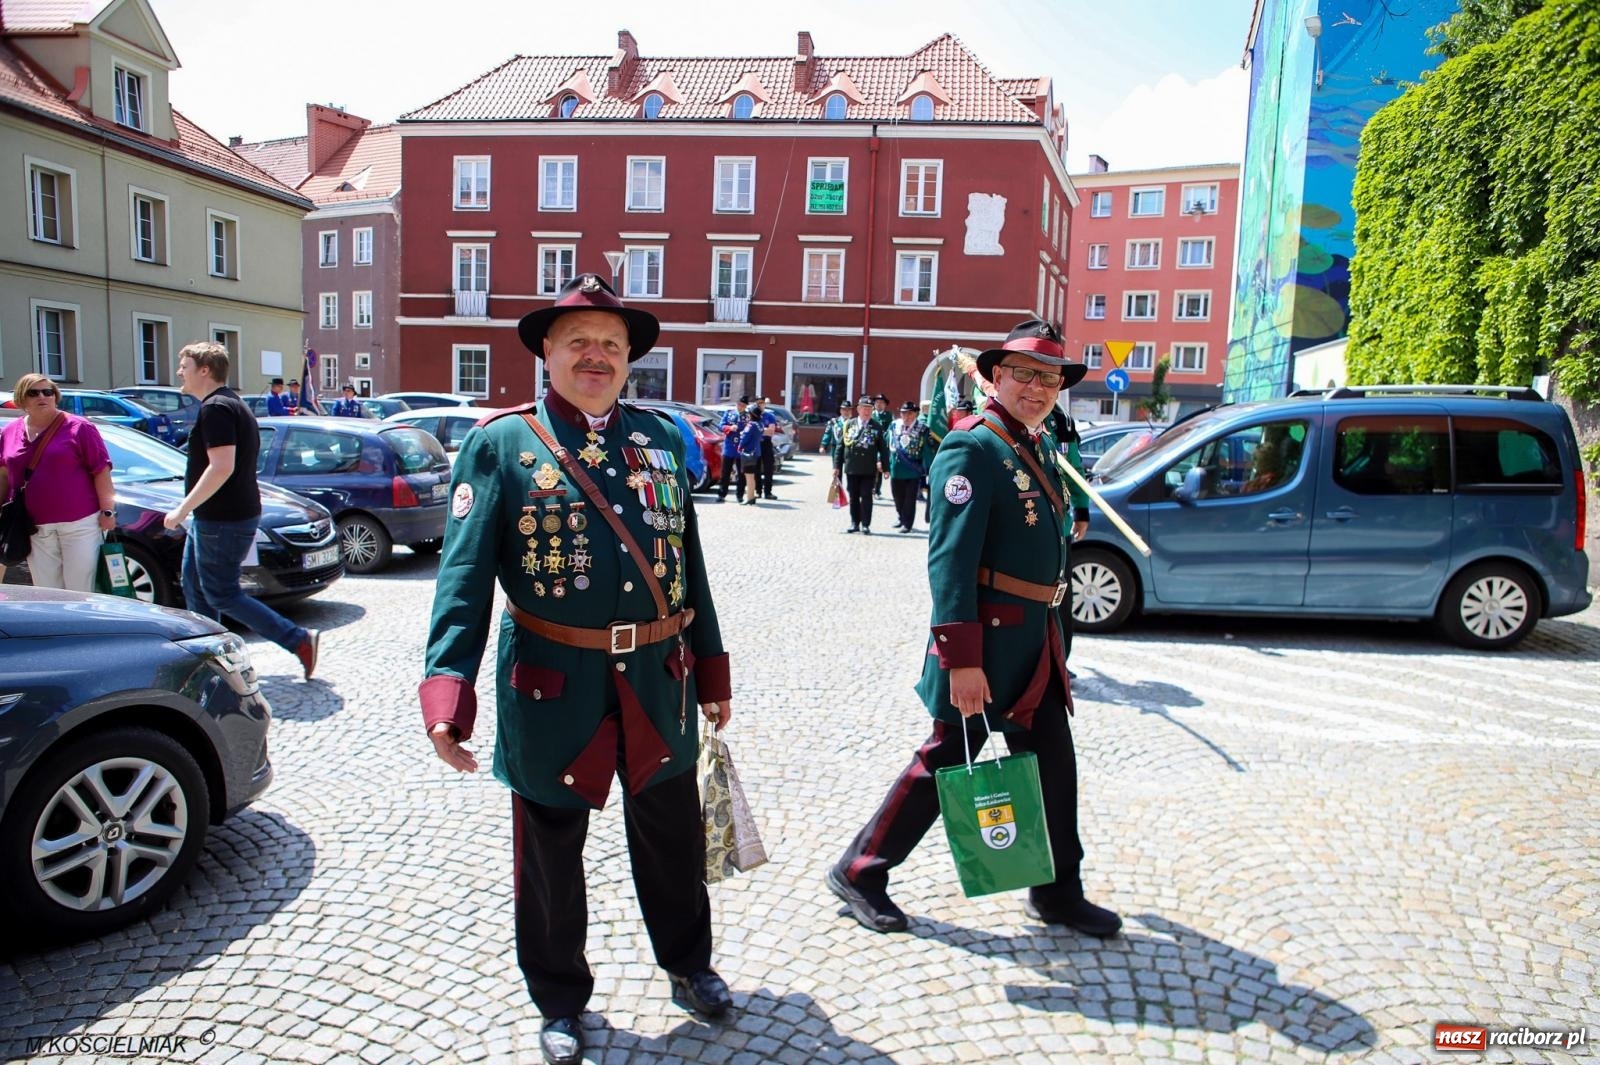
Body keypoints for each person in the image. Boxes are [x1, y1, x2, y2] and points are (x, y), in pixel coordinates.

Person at [419, 273, 736, 1065]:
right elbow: (463, 577)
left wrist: (714, 670)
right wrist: (447, 693)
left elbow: (686, 565)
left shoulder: (660, 438)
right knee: (550, 847)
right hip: (553, 684)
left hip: (659, 678)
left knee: (671, 833)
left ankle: (689, 963)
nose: (596, 357)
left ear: (629, 359)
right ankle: (559, 997)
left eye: (611, 345)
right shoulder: (501, 444)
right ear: (547, 354)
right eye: (579, 343)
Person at [827, 319, 1121, 940]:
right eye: (1024, 374)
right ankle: (860, 871)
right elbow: (950, 561)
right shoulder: (973, 447)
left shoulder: (1036, 446)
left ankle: (1059, 891)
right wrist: (961, 657)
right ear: (994, 376)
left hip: (1035, 642)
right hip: (985, 644)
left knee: (1052, 765)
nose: (1038, 388)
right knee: (945, 763)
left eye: (1049, 378)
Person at [163, 343, 319, 679]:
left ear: (204, 369)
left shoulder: (217, 408)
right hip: (216, 517)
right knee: (197, 589)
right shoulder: (230, 404)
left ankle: (298, 639)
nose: (180, 371)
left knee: (221, 592)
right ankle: (212, 660)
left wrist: (181, 509)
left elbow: (221, 467)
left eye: (184, 365)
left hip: (222, 519)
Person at [0, 374, 116, 591]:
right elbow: (5, 475)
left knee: (80, 590)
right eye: (33, 393)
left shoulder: (79, 427)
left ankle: (81, 626)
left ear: (56, 396)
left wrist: (108, 511)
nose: (42, 396)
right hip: (34, 527)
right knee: (47, 592)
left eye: (48, 392)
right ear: (21, 400)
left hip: (80, 525)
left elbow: (101, 470)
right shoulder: (10, 431)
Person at [833, 396, 890, 534]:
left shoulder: (876, 426)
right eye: (864, 408)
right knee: (853, 496)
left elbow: (883, 449)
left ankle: (865, 524)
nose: (867, 411)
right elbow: (840, 447)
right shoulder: (849, 424)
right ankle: (854, 523)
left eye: (870, 408)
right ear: (858, 409)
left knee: (866, 496)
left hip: (868, 468)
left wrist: (886, 468)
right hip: (852, 467)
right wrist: (836, 467)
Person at [888, 401, 935, 532]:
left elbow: (927, 450)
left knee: (909, 499)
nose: (906, 416)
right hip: (896, 469)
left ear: (915, 414)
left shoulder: (923, 429)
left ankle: (907, 524)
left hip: (912, 471)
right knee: (897, 496)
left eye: (909, 413)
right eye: (904, 413)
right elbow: (887, 444)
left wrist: (930, 468)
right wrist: (883, 461)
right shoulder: (894, 426)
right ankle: (901, 517)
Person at [716, 396, 750, 502]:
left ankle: (740, 495)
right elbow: (720, 426)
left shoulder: (749, 416)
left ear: (746, 406)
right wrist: (729, 428)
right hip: (729, 446)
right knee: (725, 472)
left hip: (742, 447)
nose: (740, 407)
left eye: (743, 406)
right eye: (739, 404)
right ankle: (722, 494)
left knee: (741, 473)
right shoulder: (729, 413)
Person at [736, 407, 764, 505]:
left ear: (752, 415)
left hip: (748, 452)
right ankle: (751, 496)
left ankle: (750, 498)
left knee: (749, 476)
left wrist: (739, 446)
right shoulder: (760, 424)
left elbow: (744, 437)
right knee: (752, 476)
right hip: (756, 452)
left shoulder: (751, 425)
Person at [754, 397, 778, 500]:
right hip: (756, 443)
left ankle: (768, 492)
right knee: (756, 468)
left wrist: (758, 429)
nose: (760, 405)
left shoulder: (770, 416)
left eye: (762, 403)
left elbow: (771, 431)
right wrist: (764, 429)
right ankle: (758, 491)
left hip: (767, 443)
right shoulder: (753, 416)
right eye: (758, 403)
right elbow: (751, 429)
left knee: (768, 468)